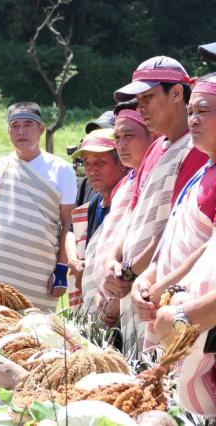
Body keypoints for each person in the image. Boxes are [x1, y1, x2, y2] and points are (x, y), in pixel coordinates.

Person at [105, 56, 208, 356]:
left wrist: (129, 274)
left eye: (148, 97)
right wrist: (115, 260)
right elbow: (134, 214)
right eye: (137, 100)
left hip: (162, 290)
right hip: (135, 284)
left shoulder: (197, 151)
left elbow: (172, 228)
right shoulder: (155, 148)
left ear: (177, 94)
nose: (140, 108)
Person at [132, 73, 216, 349]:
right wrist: (146, 279)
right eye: (191, 112)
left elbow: (206, 251)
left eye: (203, 111)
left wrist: (161, 290)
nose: (193, 119)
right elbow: (170, 240)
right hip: (171, 311)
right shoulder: (202, 174)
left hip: (195, 318)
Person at [0, 102, 77, 311]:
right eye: (15, 125)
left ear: (41, 129)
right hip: (2, 269)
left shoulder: (61, 170)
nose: (21, 131)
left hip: (42, 271)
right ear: (8, 130)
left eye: (28, 124)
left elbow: (68, 223)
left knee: (40, 334)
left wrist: (61, 269)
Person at [84, 104, 153, 322]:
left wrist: (123, 278)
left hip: (133, 294)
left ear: (152, 136)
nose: (121, 145)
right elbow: (120, 233)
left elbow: (157, 235)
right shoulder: (128, 182)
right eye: (118, 137)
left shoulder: (150, 175)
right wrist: (109, 265)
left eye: (129, 136)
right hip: (109, 295)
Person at [66, 129, 127, 309]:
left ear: (122, 163)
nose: (92, 170)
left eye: (100, 162)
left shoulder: (127, 203)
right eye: (87, 163)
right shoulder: (95, 204)